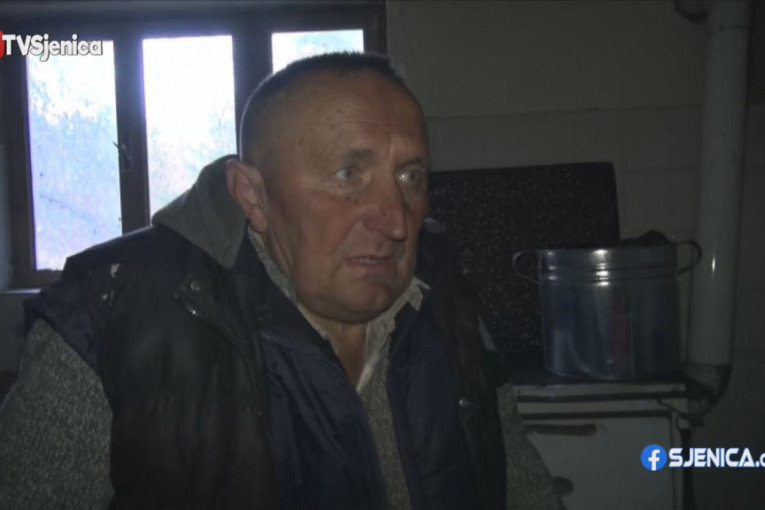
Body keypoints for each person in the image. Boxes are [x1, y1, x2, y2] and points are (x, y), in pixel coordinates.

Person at [0, 53, 563, 509]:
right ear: (252, 196)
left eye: (410, 176)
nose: (396, 221)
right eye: (348, 174)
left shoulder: (448, 303)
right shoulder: (111, 316)